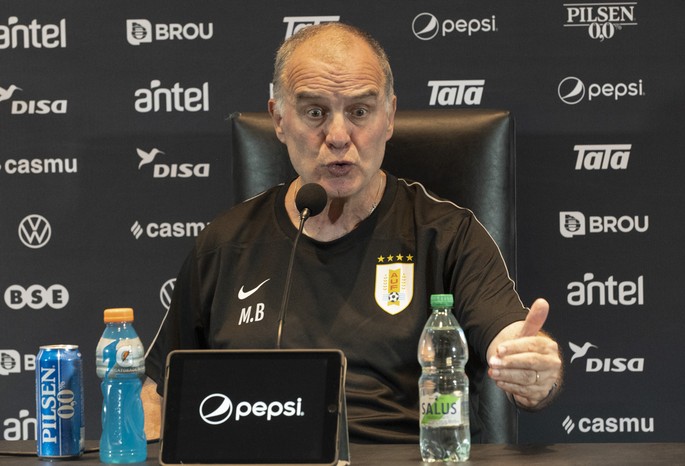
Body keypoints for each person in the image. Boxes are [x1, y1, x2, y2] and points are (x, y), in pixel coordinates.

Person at [142, 22, 562, 443]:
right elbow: (158, 391)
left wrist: (531, 363)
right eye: (314, 112)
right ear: (279, 120)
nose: (339, 136)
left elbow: (509, 337)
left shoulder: (448, 236)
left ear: (390, 117)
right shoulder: (225, 243)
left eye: (360, 111)